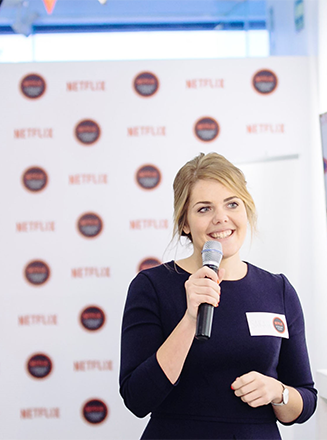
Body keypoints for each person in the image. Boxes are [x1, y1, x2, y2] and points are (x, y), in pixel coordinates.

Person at [119, 152, 316, 439]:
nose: (221, 218)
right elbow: (137, 398)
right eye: (204, 209)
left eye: (232, 204)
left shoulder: (278, 290)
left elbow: (305, 401)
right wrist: (189, 318)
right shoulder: (151, 287)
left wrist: (278, 392)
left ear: (246, 210)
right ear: (184, 223)